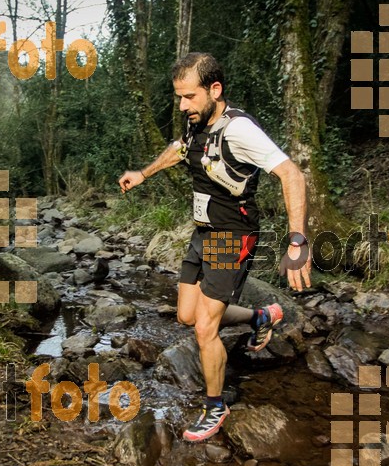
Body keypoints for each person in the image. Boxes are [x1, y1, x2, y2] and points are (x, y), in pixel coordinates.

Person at [118, 52, 312, 442]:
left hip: (231, 236)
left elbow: (291, 173)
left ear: (214, 89)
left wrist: (297, 238)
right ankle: (260, 316)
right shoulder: (195, 122)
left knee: (205, 328)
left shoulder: (239, 130)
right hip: (202, 234)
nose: (182, 104)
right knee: (187, 316)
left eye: (189, 96)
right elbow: (178, 149)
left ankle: (214, 406)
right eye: (178, 97)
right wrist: (143, 173)